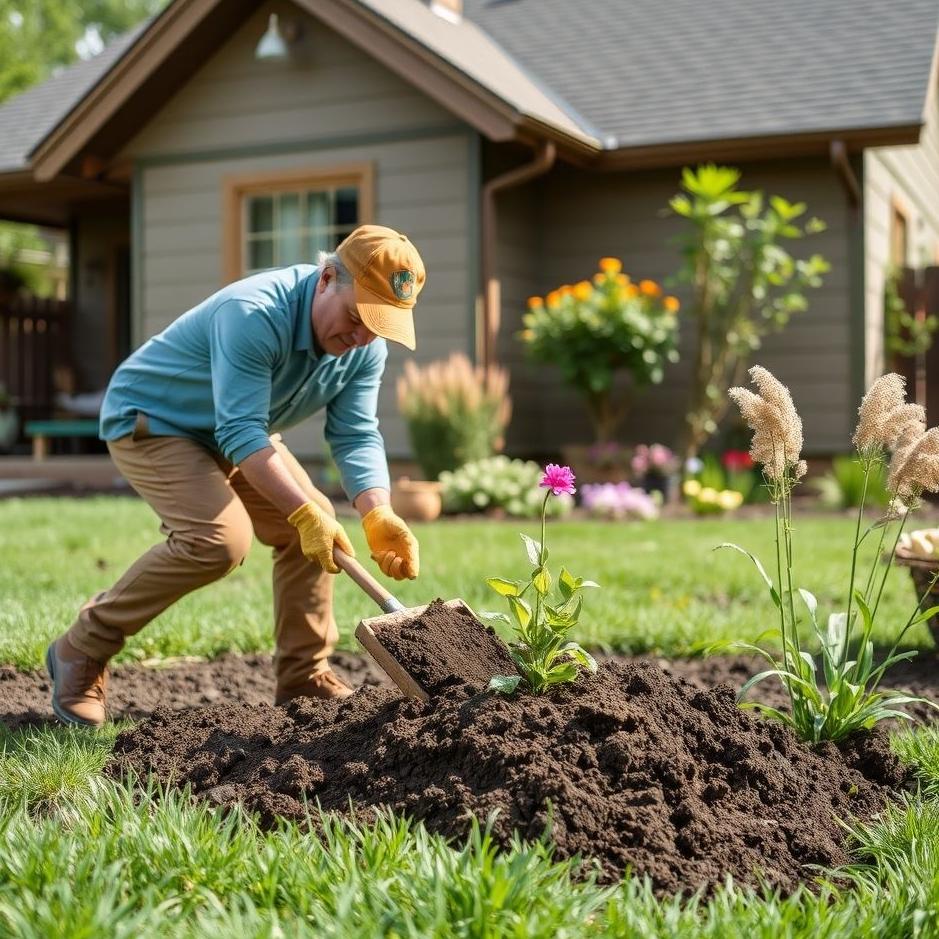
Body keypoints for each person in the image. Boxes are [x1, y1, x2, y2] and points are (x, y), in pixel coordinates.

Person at [46, 224, 426, 727]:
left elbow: (355, 434)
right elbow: (243, 431)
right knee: (218, 539)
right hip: (154, 420)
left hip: (238, 429)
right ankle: (81, 648)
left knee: (318, 526)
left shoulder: (363, 349)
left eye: (378, 328)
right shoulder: (254, 313)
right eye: (357, 318)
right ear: (327, 277)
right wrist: (303, 510)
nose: (361, 339)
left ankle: (303, 677)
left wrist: (378, 511)